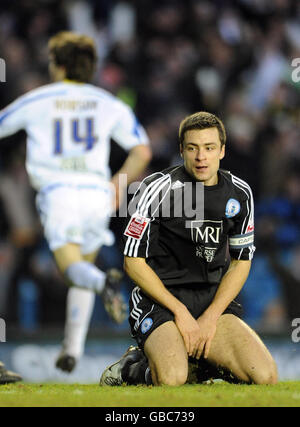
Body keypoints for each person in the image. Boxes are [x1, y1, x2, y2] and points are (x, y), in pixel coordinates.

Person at [0, 32, 152, 373]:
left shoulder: (39, 99)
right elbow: (142, 150)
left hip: (59, 191)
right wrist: (119, 183)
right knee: (80, 270)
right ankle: (72, 348)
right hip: (97, 194)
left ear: (60, 64)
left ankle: (104, 283)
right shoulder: (108, 102)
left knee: (71, 266)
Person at [100, 111, 278, 386]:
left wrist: (211, 316)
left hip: (211, 301)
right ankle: (133, 368)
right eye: (193, 148)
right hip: (160, 302)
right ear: (181, 150)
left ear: (222, 151)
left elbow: (241, 262)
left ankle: (203, 364)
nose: (201, 157)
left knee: (264, 377)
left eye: (209, 148)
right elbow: (133, 262)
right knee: (172, 379)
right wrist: (180, 313)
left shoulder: (240, 193)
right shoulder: (154, 189)